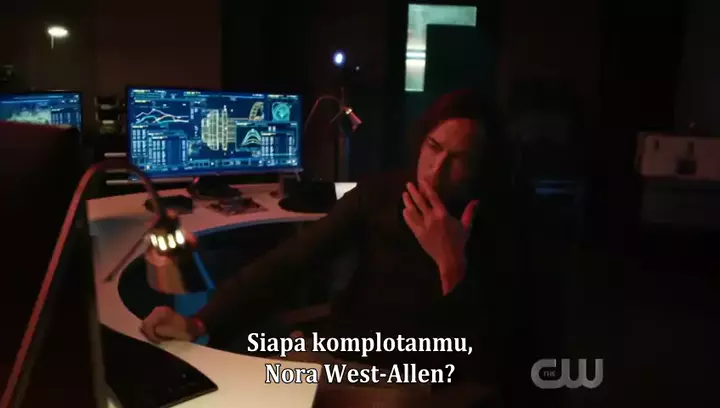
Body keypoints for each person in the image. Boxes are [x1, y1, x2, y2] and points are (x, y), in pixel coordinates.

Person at [141, 90, 535, 407]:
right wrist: (200, 321)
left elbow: (493, 357)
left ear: (481, 167)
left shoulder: (503, 223)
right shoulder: (380, 194)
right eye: (434, 147)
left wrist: (452, 266)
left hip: (424, 378)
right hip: (347, 353)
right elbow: (290, 261)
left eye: (459, 159)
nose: (437, 168)